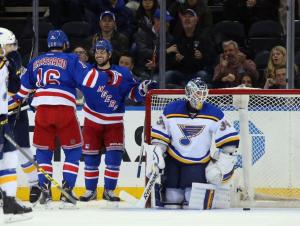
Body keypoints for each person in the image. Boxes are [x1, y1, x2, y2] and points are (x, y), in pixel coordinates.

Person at [9, 30, 92, 207]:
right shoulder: (72, 59)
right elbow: (90, 81)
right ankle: (67, 192)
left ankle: (44, 191)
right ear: (65, 44)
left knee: (43, 152)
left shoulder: (36, 61)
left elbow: (23, 91)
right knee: (73, 150)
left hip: (43, 111)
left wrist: (13, 101)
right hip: (64, 110)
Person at [78, 39, 157, 202]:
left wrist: (142, 89)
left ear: (109, 54)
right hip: (92, 121)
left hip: (114, 123)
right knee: (91, 158)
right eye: (97, 51)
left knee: (113, 159)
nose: (99, 54)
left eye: (102, 51)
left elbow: (133, 95)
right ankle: (90, 191)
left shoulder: (123, 73)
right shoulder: (86, 72)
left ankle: (109, 191)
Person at [149, 77, 240, 208]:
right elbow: (160, 138)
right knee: (172, 199)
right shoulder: (171, 110)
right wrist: (157, 153)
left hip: (198, 162)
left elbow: (229, 140)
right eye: (197, 93)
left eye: (203, 93)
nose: (201, 96)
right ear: (188, 92)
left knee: (192, 200)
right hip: (173, 160)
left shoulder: (214, 113)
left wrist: (226, 161)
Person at [0, 27, 32, 222]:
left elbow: (13, 89)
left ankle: (10, 202)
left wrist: (14, 72)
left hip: (3, 120)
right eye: (10, 45)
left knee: (10, 160)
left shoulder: (5, 64)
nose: (14, 49)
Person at [6, 50, 40, 204]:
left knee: (22, 152)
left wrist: (33, 96)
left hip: (17, 115)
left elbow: (29, 88)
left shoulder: (18, 65)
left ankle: (35, 185)